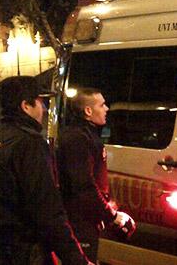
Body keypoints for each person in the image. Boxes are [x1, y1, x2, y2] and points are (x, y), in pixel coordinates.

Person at [0, 76, 92, 265]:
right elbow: (47, 210)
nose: (43, 109)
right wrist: (76, 259)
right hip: (26, 251)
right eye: (41, 102)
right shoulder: (30, 144)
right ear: (26, 106)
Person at [57, 87, 135, 262]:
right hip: (79, 219)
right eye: (102, 105)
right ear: (88, 111)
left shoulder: (87, 134)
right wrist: (111, 215)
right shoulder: (77, 138)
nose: (107, 109)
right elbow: (84, 185)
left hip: (86, 217)